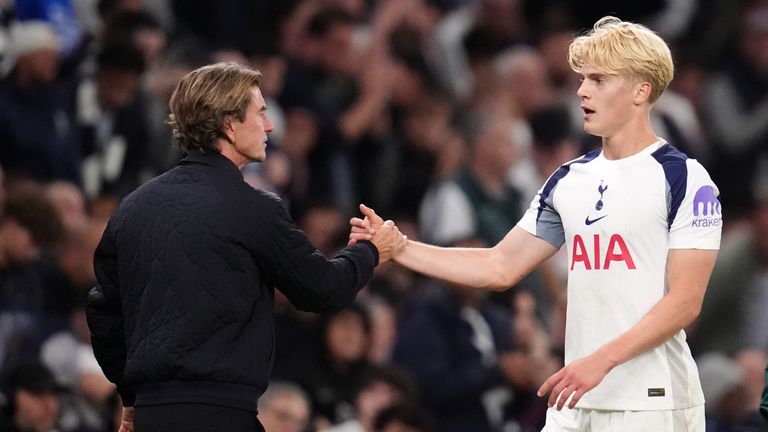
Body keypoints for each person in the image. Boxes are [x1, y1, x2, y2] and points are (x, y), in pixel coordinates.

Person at [351, 16, 722, 432]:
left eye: (599, 80)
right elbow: (499, 266)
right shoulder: (567, 180)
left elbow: (685, 302)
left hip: (653, 401)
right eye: (583, 79)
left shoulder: (685, 179)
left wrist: (600, 360)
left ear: (641, 89)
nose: (582, 90)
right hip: (576, 397)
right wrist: (400, 248)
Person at [85, 62, 405, 432]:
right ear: (229, 124)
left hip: (153, 414)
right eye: (261, 113)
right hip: (222, 417)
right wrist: (371, 249)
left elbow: (104, 313)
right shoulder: (253, 207)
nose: (269, 126)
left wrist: (130, 398)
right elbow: (323, 290)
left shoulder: (133, 206)